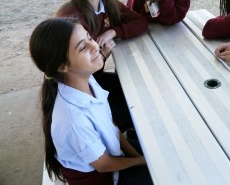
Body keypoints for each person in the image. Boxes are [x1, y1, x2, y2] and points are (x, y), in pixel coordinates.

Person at [29, 17, 152, 185]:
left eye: (89, 37)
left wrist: (137, 156)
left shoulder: (87, 80)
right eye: (83, 47)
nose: (95, 46)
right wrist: (140, 162)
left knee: (157, 150)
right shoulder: (73, 119)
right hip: (105, 178)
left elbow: (111, 126)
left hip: (112, 158)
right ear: (62, 66)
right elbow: (104, 165)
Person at [56, 0, 148, 133]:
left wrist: (114, 31)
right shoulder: (70, 17)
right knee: (130, 111)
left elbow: (141, 22)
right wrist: (103, 55)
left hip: (94, 78)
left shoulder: (108, 3)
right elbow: (73, 72)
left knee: (136, 91)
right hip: (78, 90)